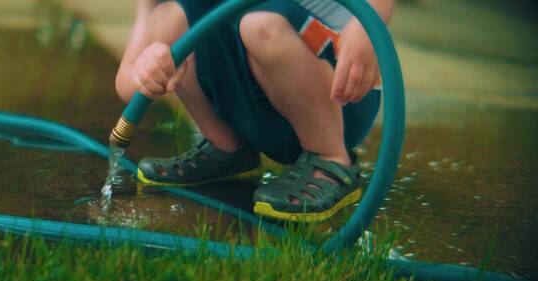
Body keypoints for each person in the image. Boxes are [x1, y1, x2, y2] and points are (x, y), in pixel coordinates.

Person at [115, 0, 396, 222]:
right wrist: (149, 66)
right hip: (253, 103)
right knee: (174, 19)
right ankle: (227, 147)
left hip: (341, 96)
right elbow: (128, 84)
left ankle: (332, 159)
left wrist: (364, 29)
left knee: (260, 25)